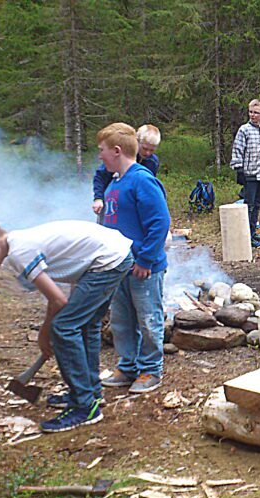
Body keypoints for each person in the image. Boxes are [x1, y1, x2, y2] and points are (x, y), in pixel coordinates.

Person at [0, 217, 133, 432]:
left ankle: (84, 406)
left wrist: (45, 332)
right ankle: (90, 392)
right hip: (112, 254)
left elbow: (58, 300)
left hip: (108, 259)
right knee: (85, 325)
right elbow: (66, 281)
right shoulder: (16, 245)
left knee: (64, 328)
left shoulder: (19, 252)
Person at [97, 123, 171, 394]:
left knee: (149, 320)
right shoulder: (115, 181)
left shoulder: (142, 180)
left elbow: (160, 222)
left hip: (143, 269)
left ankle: (151, 370)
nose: (100, 156)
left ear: (117, 151)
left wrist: (146, 260)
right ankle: (127, 366)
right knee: (121, 320)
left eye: (102, 151)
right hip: (119, 267)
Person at [230, 99, 260, 247]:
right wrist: (238, 168)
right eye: (251, 112)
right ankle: (246, 236)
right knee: (248, 205)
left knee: (258, 204)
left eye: (256, 113)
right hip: (250, 173)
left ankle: (253, 232)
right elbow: (238, 149)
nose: (253, 115)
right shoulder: (244, 130)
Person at [92, 124, 162, 222]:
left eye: (152, 150)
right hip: (110, 200)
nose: (147, 153)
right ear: (137, 142)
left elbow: (149, 188)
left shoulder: (152, 162)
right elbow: (100, 177)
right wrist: (98, 198)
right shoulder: (123, 157)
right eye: (145, 148)